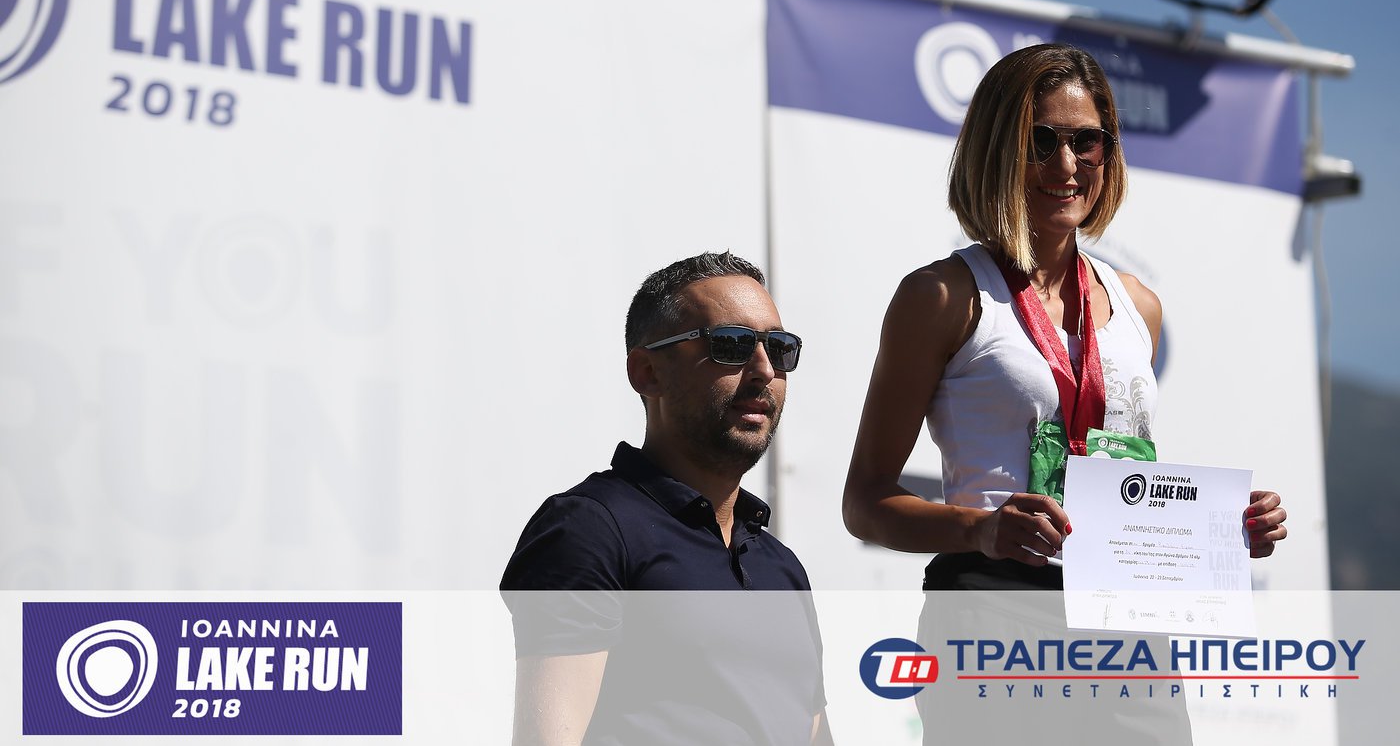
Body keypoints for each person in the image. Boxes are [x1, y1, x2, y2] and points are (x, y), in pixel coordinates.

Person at [840, 44, 1288, 739]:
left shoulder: (1139, 305)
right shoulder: (941, 296)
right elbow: (865, 503)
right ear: (996, 149)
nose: (1067, 164)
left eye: (1088, 142)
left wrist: (1221, 531)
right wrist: (981, 529)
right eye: (1040, 141)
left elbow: (1124, 479)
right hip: (993, 609)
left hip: (1129, 621)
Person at [501, 252, 832, 746]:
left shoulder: (780, 565)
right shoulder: (589, 527)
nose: (764, 369)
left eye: (780, 348)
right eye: (732, 344)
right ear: (647, 372)